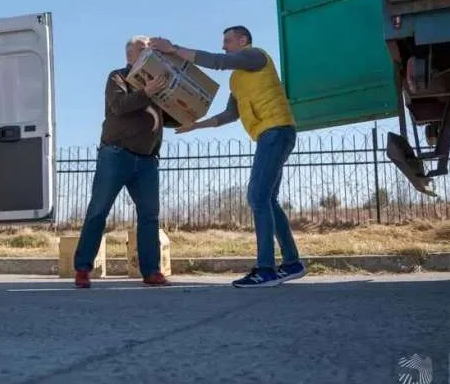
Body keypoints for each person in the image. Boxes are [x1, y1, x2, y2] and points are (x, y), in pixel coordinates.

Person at [148, 26, 306, 288]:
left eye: (228, 41)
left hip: (276, 130)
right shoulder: (237, 79)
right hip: (269, 134)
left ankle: (266, 270)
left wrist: (173, 49)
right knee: (268, 199)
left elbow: (217, 61)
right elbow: (230, 114)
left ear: (243, 40)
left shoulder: (255, 56)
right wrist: (195, 125)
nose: (224, 46)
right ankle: (292, 263)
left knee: (257, 196)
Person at [72, 35, 178, 288]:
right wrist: (146, 92)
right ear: (130, 56)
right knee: (98, 211)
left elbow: (172, 114)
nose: (148, 54)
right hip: (116, 155)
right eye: (142, 49)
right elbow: (119, 106)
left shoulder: (159, 82)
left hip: (147, 160)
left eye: (151, 50)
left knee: (150, 216)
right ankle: (83, 269)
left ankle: (151, 271)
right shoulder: (117, 77)